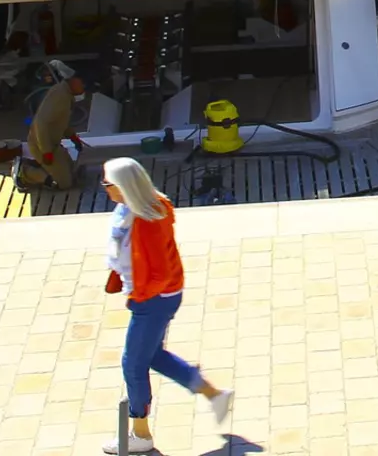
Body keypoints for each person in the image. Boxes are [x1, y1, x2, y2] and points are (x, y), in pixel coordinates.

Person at [101, 158, 233, 454]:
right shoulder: (134, 209)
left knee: (132, 364)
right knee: (153, 356)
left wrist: (140, 295)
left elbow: (158, 272)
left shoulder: (147, 220)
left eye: (107, 184)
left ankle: (140, 433)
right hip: (156, 296)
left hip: (154, 300)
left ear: (123, 187)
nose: (105, 190)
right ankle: (214, 395)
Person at [26, 59, 86, 190]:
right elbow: (41, 123)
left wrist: (73, 137)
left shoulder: (66, 94)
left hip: (53, 145)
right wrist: (46, 152)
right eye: (82, 85)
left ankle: (44, 167)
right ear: (74, 81)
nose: (83, 90)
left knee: (72, 174)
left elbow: (61, 121)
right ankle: (26, 172)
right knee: (64, 184)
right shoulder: (59, 96)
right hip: (41, 145)